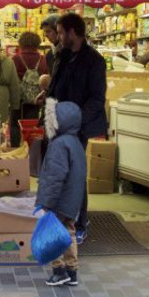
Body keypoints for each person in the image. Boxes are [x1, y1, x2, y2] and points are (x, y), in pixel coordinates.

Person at [45, 13, 108, 240]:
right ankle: (61, 219)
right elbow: (56, 87)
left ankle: (79, 222)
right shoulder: (62, 56)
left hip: (77, 127)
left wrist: (75, 119)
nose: (58, 37)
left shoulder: (94, 61)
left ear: (72, 32)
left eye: (61, 32)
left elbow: (97, 99)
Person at [37, 99, 86, 287]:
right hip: (72, 200)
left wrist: (46, 203)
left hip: (59, 200)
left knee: (52, 233)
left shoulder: (58, 145)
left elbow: (53, 177)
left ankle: (59, 271)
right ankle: (72, 271)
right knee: (69, 232)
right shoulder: (75, 143)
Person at [11, 31, 50, 145]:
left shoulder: (15, 59)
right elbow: (46, 79)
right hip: (35, 99)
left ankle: (15, 148)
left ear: (21, 43)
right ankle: (31, 147)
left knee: (15, 124)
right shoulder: (43, 59)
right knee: (32, 125)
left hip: (18, 98)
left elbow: (11, 78)